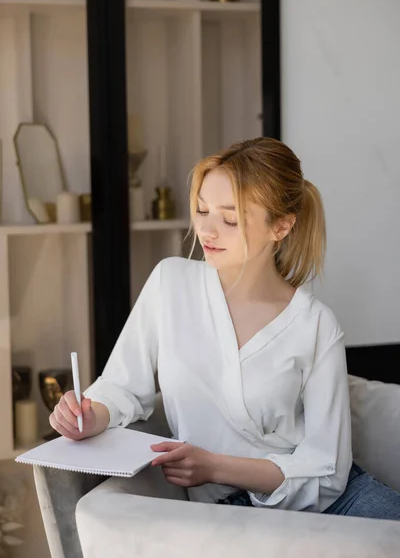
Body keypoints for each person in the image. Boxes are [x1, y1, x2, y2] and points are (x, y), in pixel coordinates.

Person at [50, 137, 400, 518]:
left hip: (337, 505)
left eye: (230, 219)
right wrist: (87, 416)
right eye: (202, 211)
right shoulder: (171, 283)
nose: (207, 231)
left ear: (280, 227)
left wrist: (214, 466)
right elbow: (121, 387)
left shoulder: (316, 326)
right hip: (224, 513)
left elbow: (326, 471)